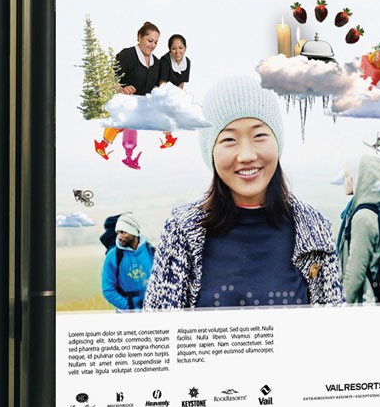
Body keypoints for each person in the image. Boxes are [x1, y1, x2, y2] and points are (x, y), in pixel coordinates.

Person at [143, 76, 344, 309]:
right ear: (211, 151)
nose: (246, 155)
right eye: (229, 139)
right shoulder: (182, 231)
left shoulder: (314, 229)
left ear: (277, 142)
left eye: (259, 135)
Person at [95, 21, 162, 168]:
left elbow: (155, 84)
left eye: (156, 42)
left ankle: (124, 154)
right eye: (150, 40)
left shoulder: (156, 63)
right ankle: (108, 146)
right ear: (139, 37)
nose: (152, 45)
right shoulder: (127, 55)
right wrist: (121, 89)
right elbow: (111, 77)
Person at [337, 154, 380, 303]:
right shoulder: (379, 209)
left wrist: (341, 305)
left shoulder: (362, 218)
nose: (345, 180)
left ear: (358, 178)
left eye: (347, 176)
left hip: (366, 303)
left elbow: (355, 272)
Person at [101, 213, 154, 310]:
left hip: (151, 310)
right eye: (118, 232)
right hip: (126, 313)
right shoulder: (112, 256)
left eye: (123, 232)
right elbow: (108, 290)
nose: (119, 237)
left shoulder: (151, 252)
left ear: (134, 233)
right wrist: (129, 308)